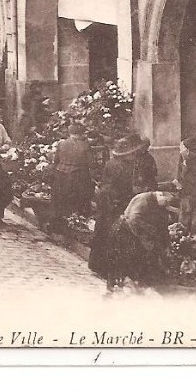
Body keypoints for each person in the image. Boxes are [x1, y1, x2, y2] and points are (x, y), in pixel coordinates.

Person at [89, 133, 152, 281]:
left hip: (109, 203)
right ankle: (111, 268)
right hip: (115, 203)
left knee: (105, 232)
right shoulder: (123, 166)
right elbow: (121, 186)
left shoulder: (114, 163)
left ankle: (100, 265)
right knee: (115, 234)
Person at [106, 190, 176, 289]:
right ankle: (114, 289)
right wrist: (149, 231)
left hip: (137, 234)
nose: (166, 205)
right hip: (125, 231)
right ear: (160, 195)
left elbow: (163, 227)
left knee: (135, 263)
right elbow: (133, 219)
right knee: (120, 262)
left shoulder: (160, 205)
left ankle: (130, 288)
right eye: (166, 202)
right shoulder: (143, 199)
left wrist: (167, 244)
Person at [51, 123, 94, 223]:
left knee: (61, 200)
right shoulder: (85, 145)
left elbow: (56, 160)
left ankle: (59, 222)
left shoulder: (61, 143)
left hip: (61, 175)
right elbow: (91, 163)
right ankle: (75, 222)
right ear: (81, 134)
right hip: (78, 176)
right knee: (77, 202)